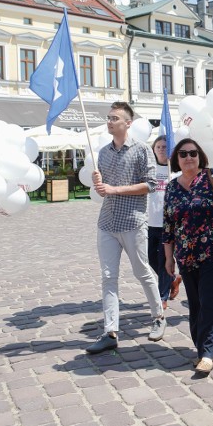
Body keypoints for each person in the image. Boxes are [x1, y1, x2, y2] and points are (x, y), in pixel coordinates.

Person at [86, 101, 165, 354]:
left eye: (115, 118)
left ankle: (158, 317)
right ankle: (110, 331)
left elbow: (151, 184)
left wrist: (113, 189)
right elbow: (104, 189)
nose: (110, 121)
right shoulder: (104, 152)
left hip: (133, 222)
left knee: (142, 272)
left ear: (127, 123)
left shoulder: (142, 150)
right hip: (107, 222)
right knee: (108, 277)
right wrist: (98, 183)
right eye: (108, 117)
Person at [163, 138, 213, 375]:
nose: (188, 157)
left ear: (200, 156)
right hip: (185, 254)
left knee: (209, 300)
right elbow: (168, 225)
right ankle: (201, 344)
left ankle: (207, 353)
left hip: (212, 251)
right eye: (183, 154)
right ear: (177, 159)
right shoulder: (172, 187)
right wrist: (168, 258)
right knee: (195, 303)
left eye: (192, 153)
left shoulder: (212, 177)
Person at [148, 135, 181, 309]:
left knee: (162, 260)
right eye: (158, 147)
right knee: (150, 258)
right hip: (149, 223)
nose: (161, 149)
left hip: (168, 225)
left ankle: (163, 296)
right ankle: (173, 278)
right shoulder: (149, 170)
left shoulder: (176, 172)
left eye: (165, 147)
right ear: (153, 150)